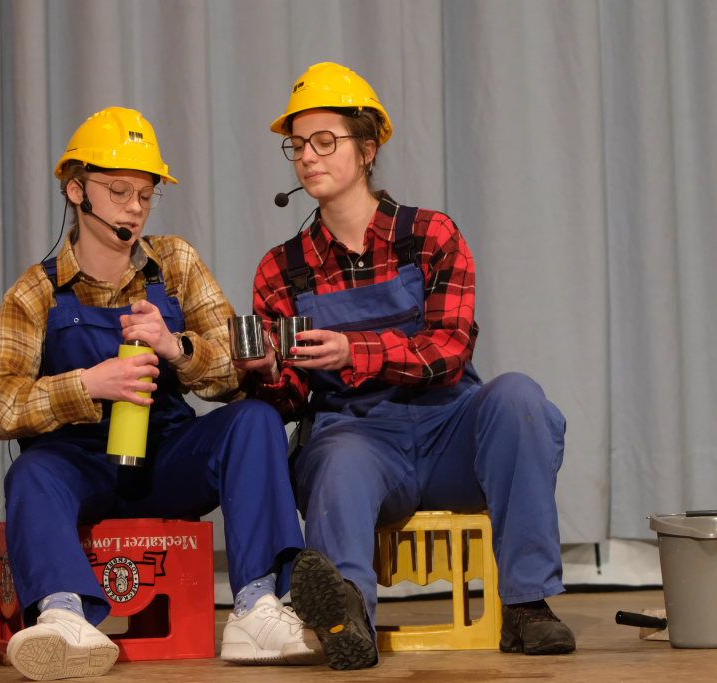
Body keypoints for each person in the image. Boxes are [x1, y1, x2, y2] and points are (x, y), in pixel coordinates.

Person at [237, 63, 575, 670]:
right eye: (298, 145)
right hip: (359, 437)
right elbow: (287, 400)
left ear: (367, 150)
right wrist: (264, 371)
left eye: (324, 141)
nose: (307, 157)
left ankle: (528, 604)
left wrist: (354, 351)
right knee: (336, 459)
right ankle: (347, 619)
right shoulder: (280, 269)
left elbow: (450, 349)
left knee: (519, 398)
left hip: (451, 431)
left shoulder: (429, 234)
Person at [0, 106, 321, 680]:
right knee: (29, 473)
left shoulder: (175, 262)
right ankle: (64, 619)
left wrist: (176, 347)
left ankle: (256, 607)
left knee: (255, 418)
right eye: (119, 191)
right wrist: (88, 384)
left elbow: (235, 372)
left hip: (166, 458)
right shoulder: (36, 291)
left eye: (145, 194)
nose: (134, 207)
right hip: (79, 466)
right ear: (77, 191)